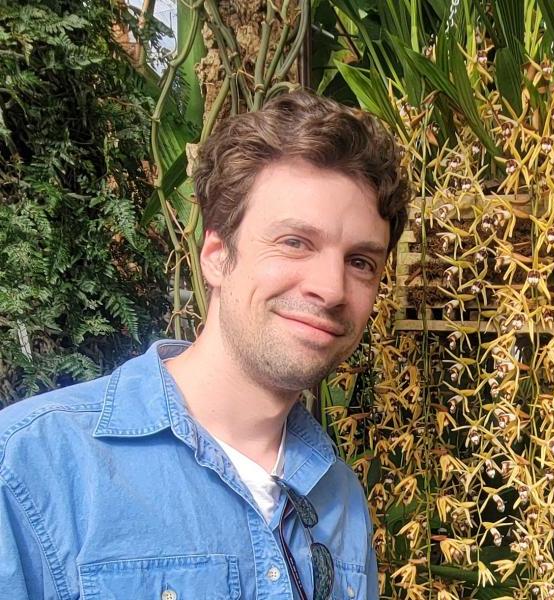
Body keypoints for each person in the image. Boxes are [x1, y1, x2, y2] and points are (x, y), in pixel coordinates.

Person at [0, 90, 409, 599]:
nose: (330, 288)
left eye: (360, 262)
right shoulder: (31, 469)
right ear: (215, 255)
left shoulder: (338, 497)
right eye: (295, 242)